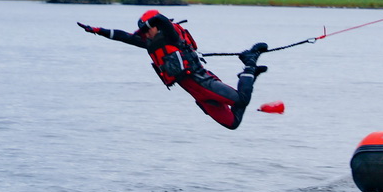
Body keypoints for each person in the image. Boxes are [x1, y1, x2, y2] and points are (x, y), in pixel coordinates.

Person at [77, 10, 268, 130]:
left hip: (204, 82)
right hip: (198, 94)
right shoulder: (150, 43)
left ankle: (249, 63)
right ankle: (248, 78)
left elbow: (161, 19)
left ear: (155, 26)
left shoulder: (171, 35)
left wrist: (150, 21)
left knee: (242, 99)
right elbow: (122, 36)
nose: (145, 33)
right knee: (233, 123)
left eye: (147, 29)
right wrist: (97, 30)